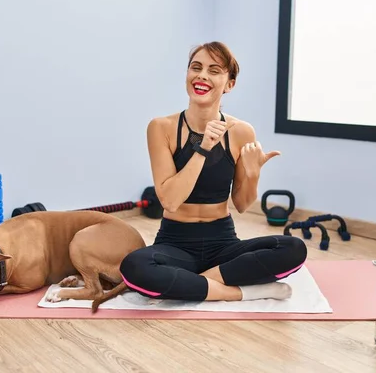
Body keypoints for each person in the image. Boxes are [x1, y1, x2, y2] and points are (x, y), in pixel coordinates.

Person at [119, 41, 307, 303]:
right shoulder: (161, 127)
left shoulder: (241, 131)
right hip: (175, 242)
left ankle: (194, 283)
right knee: (134, 268)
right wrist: (203, 148)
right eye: (196, 67)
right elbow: (170, 201)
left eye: (214, 70)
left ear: (229, 84)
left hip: (223, 241)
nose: (202, 75)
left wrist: (253, 173)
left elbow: (241, 204)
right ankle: (238, 292)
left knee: (292, 248)